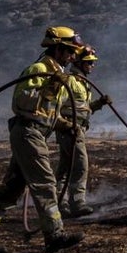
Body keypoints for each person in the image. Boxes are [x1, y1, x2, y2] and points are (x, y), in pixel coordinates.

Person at [0, 26, 88, 253]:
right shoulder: (38, 70)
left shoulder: (59, 74)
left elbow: (48, 112)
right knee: (45, 182)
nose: (73, 56)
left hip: (36, 133)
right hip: (28, 133)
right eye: (69, 51)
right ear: (58, 48)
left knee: (11, 188)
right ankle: (54, 236)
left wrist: (66, 124)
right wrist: (52, 84)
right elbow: (21, 103)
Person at [54, 45, 112, 217]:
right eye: (89, 63)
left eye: (93, 63)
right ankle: (77, 203)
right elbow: (56, 107)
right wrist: (65, 125)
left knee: (65, 168)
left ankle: (60, 204)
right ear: (79, 62)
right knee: (80, 166)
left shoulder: (82, 83)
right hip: (70, 130)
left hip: (76, 129)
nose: (92, 66)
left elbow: (81, 109)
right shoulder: (69, 80)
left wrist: (99, 104)